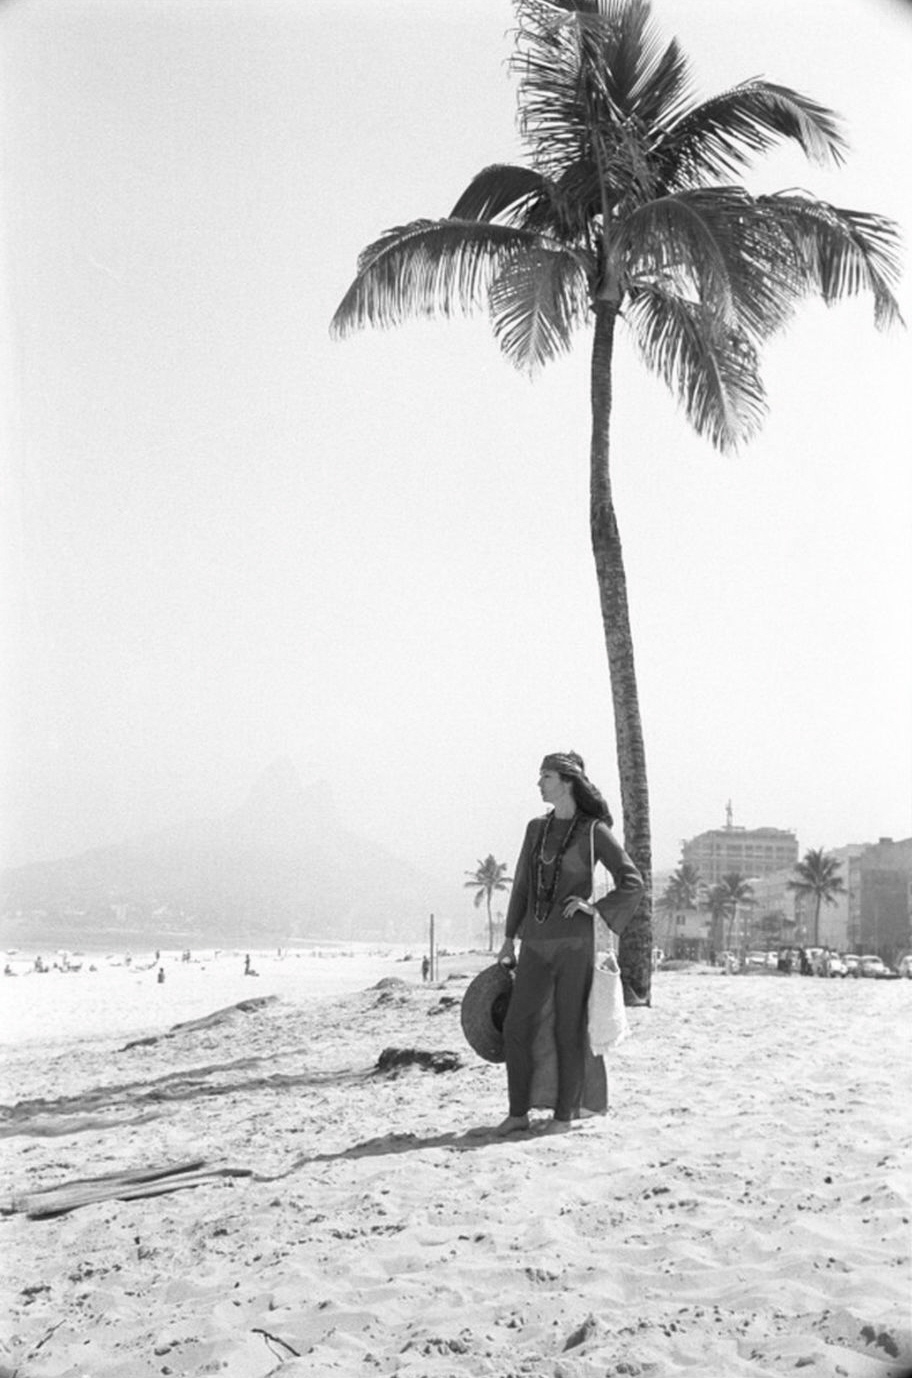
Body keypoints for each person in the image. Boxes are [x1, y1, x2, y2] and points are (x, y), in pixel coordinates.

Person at [486, 751, 644, 1137]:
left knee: (568, 1029)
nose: (539, 783)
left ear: (567, 781)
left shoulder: (593, 831)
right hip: (535, 944)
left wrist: (595, 908)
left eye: (546, 776)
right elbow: (522, 885)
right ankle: (518, 1113)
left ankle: (563, 1116)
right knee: (517, 1026)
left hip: (575, 945)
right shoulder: (535, 829)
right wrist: (509, 939)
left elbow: (632, 880)